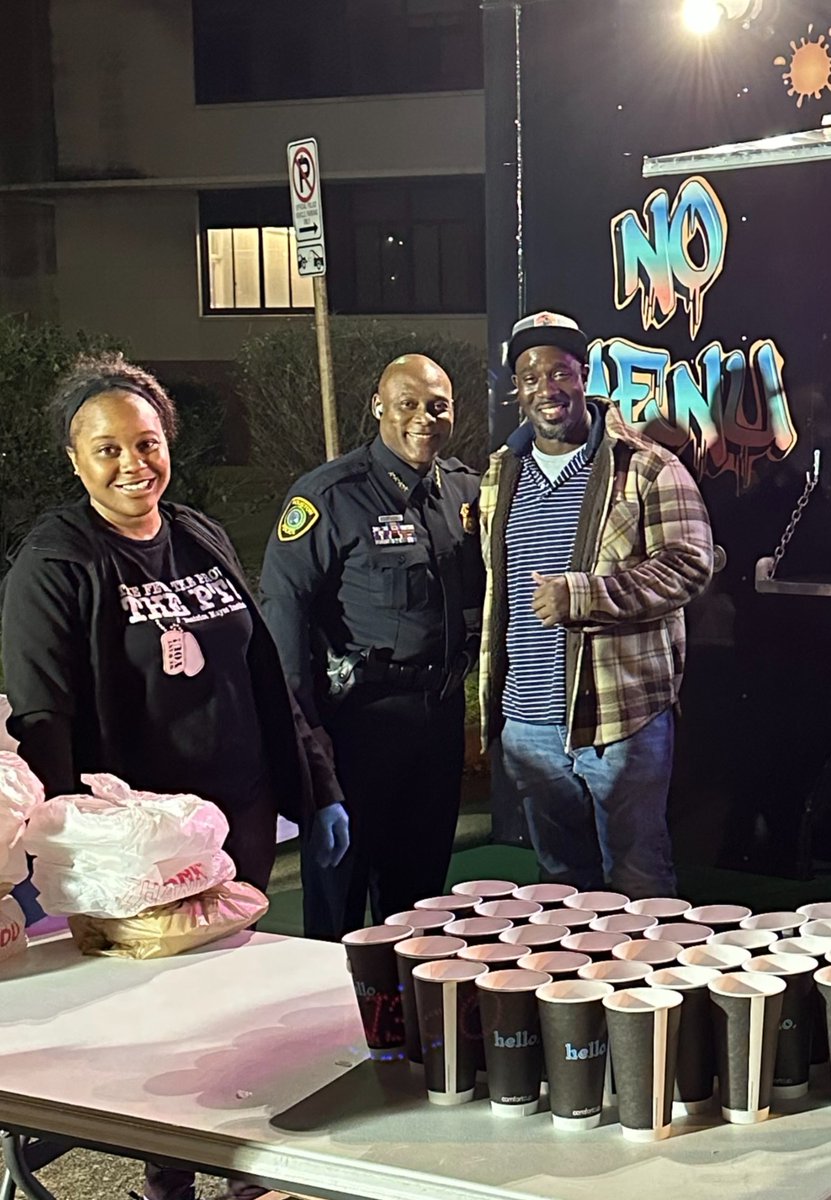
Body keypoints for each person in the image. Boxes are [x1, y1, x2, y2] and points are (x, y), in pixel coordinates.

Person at [1, 353, 349, 1200]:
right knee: (162, 1014)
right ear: (75, 459)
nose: (132, 465)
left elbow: (263, 673)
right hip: (140, 853)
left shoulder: (198, 534)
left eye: (146, 443)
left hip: (238, 816)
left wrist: (320, 785)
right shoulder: (57, 565)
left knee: (239, 1001)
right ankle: (172, 1177)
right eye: (107, 449)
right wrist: (63, 852)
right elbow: (41, 716)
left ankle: (247, 1168)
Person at [479, 312, 714, 899]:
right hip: (528, 719)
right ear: (517, 390)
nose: (546, 390)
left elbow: (690, 566)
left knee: (638, 879)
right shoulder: (499, 473)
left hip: (620, 717)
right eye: (530, 378)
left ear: (584, 375)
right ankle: (569, 992)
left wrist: (583, 595)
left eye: (559, 372)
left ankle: (652, 992)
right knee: (559, 884)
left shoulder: (649, 465)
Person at [261, 354, 483, 939]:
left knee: (420, 896)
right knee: (339, 892)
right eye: (408, 403)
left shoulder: (465, 490)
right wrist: (305, 731)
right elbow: (284, 612)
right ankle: (325, 1022)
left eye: (438, 405)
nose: (423, 418)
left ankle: (406, 1020)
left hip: (438, 716)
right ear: (378, 407)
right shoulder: (330, 496)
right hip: (357, 722)